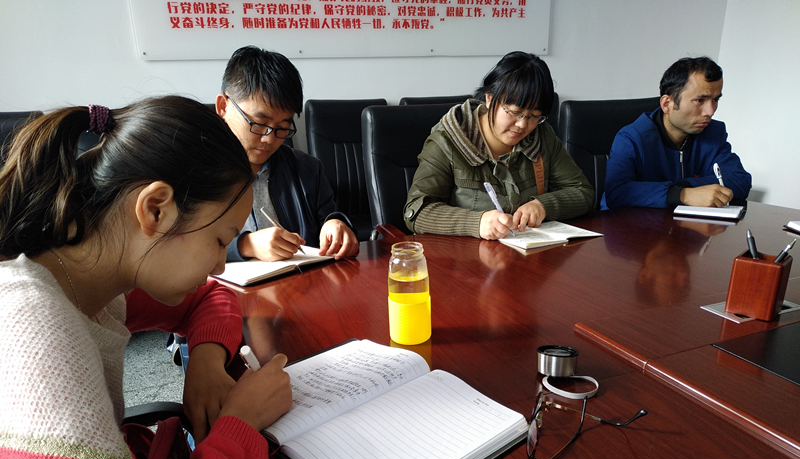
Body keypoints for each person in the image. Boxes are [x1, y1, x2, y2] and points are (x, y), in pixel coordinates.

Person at [0, 96, 293, 459]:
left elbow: (211, 296)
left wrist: (206, 364)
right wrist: (241, 422)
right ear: (155, 209)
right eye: (220, 240)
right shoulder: (32, 331)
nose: (220, 265)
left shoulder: (90, 277)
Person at [404, 51, 594, 240]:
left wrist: (543, 205)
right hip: (466, 255)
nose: (522, 125)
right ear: (489, 99)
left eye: (534, 116)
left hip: (530, 252)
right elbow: (417, 212)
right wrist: (476, 222)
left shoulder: (542, 136)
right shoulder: (448, 139)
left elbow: (583, 193)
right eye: (514, 112)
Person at [217, 45, 359, 262]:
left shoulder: (307, 169)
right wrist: (245, 245)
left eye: (282, 128)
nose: (269, 138)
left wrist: (336, 224)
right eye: (259, 123)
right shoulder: (193, 171)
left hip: (302, 280)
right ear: (223, 107)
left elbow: (328, 217)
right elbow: (176, 248)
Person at [603, 56, 751, 209]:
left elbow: (740, 180)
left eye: (715, 100)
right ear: (667, 104)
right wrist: (682, 195)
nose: (710, 111)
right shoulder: (631, 138)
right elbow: (617, 193)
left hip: (685, 221)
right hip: (629, 222)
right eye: (700, 100)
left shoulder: (713, 133)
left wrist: (686, 186)